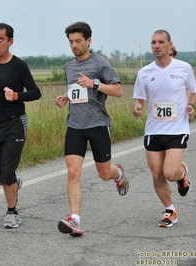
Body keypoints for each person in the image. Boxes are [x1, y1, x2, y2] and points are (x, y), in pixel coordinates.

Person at [54, 21, 129, 237]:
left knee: (104, 173)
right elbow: (77, 90)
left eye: (78, 41)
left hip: (97, 124)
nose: (74, 45)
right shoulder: (69, 66)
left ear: (89, 40)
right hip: (75, 125)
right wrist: (65, 96)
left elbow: (118, 91)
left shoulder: (101, 63)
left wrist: (95, 84)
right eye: (70, 42)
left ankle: (118, 172)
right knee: (72, 171)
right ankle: (74, 219)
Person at [0, 23, 41, 229]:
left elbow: (35, 92)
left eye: (0, 40)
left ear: (10, 41)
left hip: (15, 123)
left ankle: (12, 212)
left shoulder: (19, 66)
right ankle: (13, 180)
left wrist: (17, 96)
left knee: (6, 173)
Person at [133, 29, 196, 228]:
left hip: (177, 129)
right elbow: (139, 99)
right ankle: (170, 210)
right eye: (153, 42)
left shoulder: (184, 68)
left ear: (170, 45)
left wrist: (191, 105)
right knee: (157, 174)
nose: (156, 45)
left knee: (170, 173)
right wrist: (137, 107)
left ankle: (181, 173)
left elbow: (194, 93)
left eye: (161, 42)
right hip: (153, 130)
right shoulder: (144, 72)